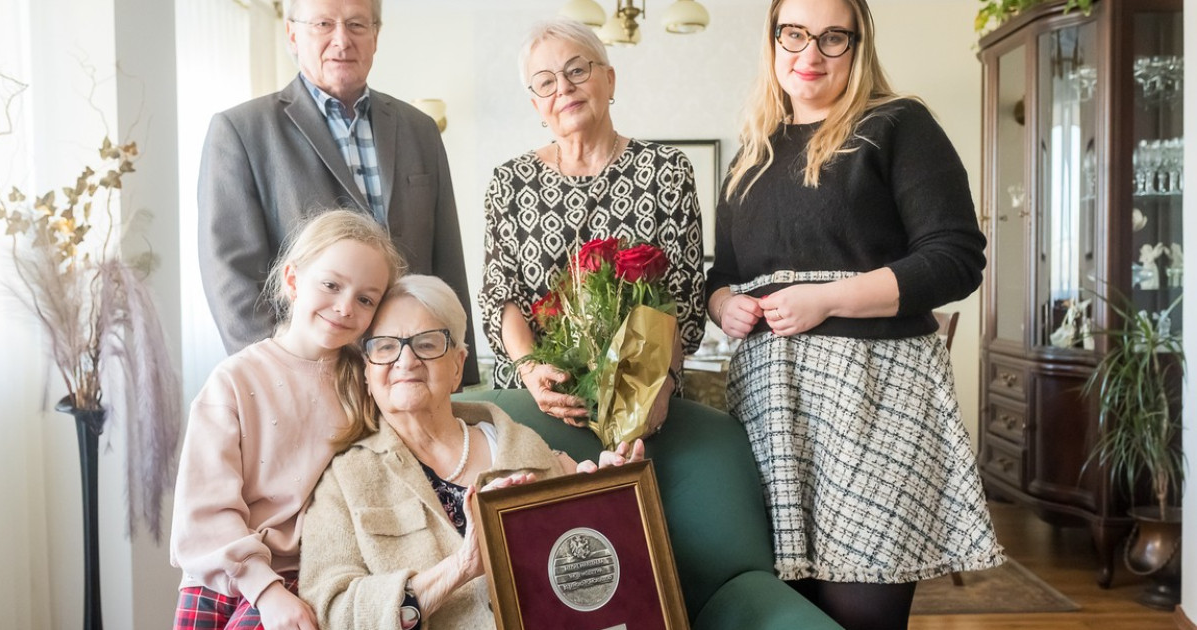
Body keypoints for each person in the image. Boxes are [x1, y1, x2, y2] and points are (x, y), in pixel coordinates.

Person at [704, 1, 1005, 628]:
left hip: (875, 394)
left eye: (832, 37)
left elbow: (956, 259)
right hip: (771, 403)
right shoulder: (751, 151)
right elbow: (723, 271)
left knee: (862, 607)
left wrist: (827, 299)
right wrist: (722, 302)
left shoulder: (897, 124)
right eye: (794, 34)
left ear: (858, 44)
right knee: (794, 610)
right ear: (772, 41)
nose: (810, 53)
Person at [299, 275, 644, 629]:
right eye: (385, 347)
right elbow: (328, 610)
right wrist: (461, 567)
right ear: (367, 373)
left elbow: (592, 594)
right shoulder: (345, 478)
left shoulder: (528, 451)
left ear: (458, 366)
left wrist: (611, 514)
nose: (406, 360)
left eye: (428, 344)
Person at [198, 0, 479, 385]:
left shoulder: (420, 130)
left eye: (357, 25)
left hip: (413, 376)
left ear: (376, 36)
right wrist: (283, 378)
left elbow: (447, 262)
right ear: (293, 34)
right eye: (324, 24)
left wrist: (460, 377)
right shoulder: (241, 131)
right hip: (308, 381)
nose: (342, 40)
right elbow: (231, 277)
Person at [170, 209, 406, 630]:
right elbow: (203, 513)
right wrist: (264, 590)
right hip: (223, 571)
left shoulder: (367, 385)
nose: (344, 307)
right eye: (331, 285)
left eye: (365, 299)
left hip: (308, 572)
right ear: (293, 280)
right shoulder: (233, 382)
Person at [479, 18, 706, 432]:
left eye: (576, 70)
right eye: (545, 82)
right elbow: (500, 296)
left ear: (609, 79)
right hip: (536, 405)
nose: (563, 88)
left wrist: (659, 389)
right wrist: (532, 374)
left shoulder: (665, 171)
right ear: (536, 104)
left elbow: (684, 303)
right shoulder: (509, 182)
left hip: (642, 401)